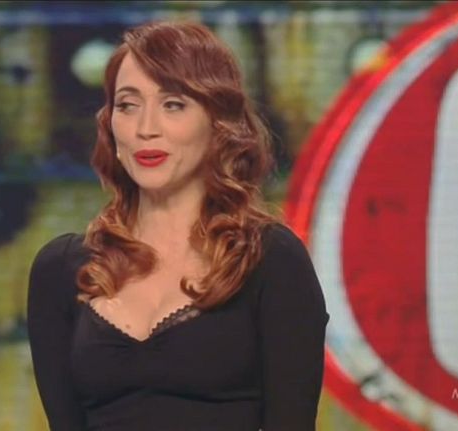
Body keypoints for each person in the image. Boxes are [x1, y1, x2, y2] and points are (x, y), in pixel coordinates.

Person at [27, 20, 328, 431]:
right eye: (128, 105)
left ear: (218, 123)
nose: (145, 128)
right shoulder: (62, 269)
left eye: (173, 104)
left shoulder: (270, 260)